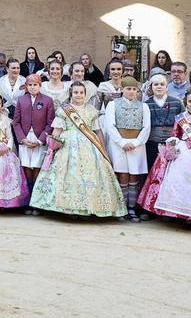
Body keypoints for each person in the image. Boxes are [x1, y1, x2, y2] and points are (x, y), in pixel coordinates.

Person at [29, 82, 124, 218]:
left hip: (90, 147)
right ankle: (68, 208)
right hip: (67, 145)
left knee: (89, 175)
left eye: (81, 93)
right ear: (71, 94)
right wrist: (52, 147)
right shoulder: (63, 110)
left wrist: (103, 149)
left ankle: (87, 207)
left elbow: (98, 131)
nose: (79, 95)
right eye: (76, 92)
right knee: (68, 174)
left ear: (85, 95)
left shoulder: (91, 111)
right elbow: (57, 130)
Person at [138, 89, 191, 224]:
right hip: (182, 151)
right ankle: (176, 212)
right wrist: (169, 150)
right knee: (177, 179)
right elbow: (175, 135)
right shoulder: (180, 118)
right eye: (190, 101)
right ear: (186, 103)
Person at [103, 77, 151, 221]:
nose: (131, 92)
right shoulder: (112, 105)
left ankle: (132, 209)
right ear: (122, 89)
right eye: (128, 89)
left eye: (134, 89)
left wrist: (136, 143)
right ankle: (122, 208)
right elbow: (110, 126)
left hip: (137, 145)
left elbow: (146, 127)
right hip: (119, 145)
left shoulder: (143, 106)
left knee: (134, 175)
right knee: (123, 175)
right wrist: (122, 142)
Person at [13, 73, 55, 208]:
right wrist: (22, 139)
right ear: (26, 86)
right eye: (30, 85)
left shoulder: (48, 100)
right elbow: (16, 122)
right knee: (26, 168)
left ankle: (36, 203)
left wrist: (40, 140)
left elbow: (50, 123)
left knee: (37, 167)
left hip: (39, 139)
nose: (32, 87)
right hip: (25, 139)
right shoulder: (21, 100)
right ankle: (27, 201)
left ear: (40, 86)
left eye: (35, 85)